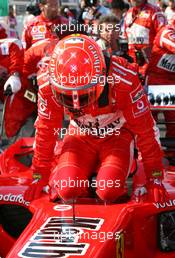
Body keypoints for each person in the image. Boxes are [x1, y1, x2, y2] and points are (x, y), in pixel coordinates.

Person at [24, 34, 166, 203]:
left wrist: (153, 175)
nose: (76, 104)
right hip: (80, 136)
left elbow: (146, 131)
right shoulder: (48, 82)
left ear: (102, 78)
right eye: (67, 97)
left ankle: (127, 166)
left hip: (117, 136)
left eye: (83, 96)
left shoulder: (124, 78)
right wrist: (39, 174)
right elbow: (45, 131)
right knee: (67, 188)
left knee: (109, 190)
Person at [146, 17, 175, 138]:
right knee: (149, 123)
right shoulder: (167, 32)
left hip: (171, 84)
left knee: (173, 124)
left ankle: (170, 154)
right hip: (156, 84)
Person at [123, 0, 167, 78]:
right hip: (132, 65)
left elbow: (164, 36)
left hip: (151, 66)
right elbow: (126, 37)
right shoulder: (128, 13)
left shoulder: (155, 11)